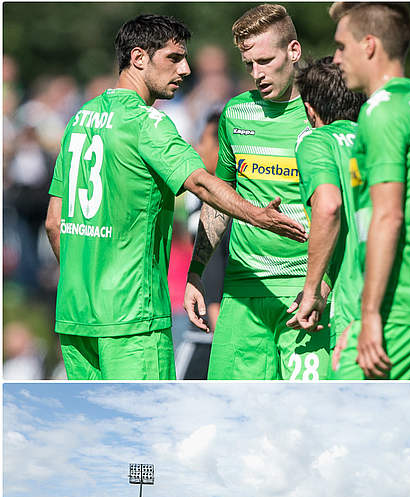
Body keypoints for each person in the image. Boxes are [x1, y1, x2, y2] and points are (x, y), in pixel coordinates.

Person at [45, 13, 305, 380]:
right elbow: (200, 183)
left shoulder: (79, 119)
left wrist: (86, 278)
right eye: (173, 58)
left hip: (76, 316)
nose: (184, 69)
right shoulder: (146, 122)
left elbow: (54, 224)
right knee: (147, 430)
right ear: (138, 59)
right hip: (132, 317)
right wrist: (256, 215)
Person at [186, 4, 328, 380]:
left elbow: (343, 207)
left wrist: (323, 284)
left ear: (293, 51)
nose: (257, 73)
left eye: (265, 60)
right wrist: (196, 273)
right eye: (249, 64)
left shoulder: (322, 115)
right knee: (228, 413)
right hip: (242, 290)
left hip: (304, 290)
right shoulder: (235, 114)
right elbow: (218, 201)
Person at [329, 1, 410, 379]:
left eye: (342, 46)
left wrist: (368, 315)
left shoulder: (381, 111)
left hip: (399, 310)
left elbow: (388, 215)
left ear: (369, 45)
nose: (336, 58)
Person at [284, 56, 366, 359]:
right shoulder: (386, 142)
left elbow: (329, 207)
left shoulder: (317, 141)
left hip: (360, 308)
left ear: (310, 109)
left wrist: (312, 290)